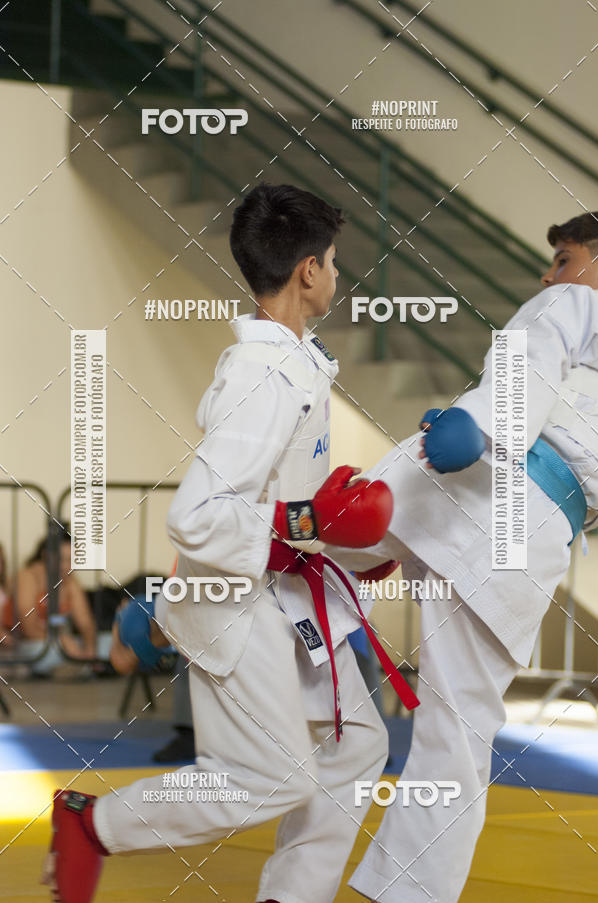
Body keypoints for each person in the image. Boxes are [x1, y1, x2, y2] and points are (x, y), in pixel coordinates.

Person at [42, 183, 418, 903]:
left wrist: (348, 547)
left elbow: (284, 504)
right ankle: (96, 824)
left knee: (358, 742)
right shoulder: (264, 374)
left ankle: (290, 895)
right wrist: (313, 526)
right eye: (334, 261)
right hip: (237, 602)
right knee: (274, 776)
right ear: (308, 270)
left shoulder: (295, 361)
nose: (338, 275)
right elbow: (198, 515)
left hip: (282, 598)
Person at [331, 210, 598, 903]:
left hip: (485, 482)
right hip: (532, 529)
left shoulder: (579, 301)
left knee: (325, 549)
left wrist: (479, 425)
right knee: (458, 731)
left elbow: (533, 351)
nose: (552, 275)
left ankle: (187, 609)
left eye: (564, 258)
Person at [13, 526, 96, 674]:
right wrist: (62, 640)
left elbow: (86, 623)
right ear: (46, 556)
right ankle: (79, 667)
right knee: (43, 652)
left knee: (107, 642)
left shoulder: (71, 582)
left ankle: (80, 665)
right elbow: (28, 628)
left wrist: (90, 649)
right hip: (34, 643)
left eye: (71, 560)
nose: (66, 566)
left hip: (65, 643)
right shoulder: (28, 576)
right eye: (61, 559)